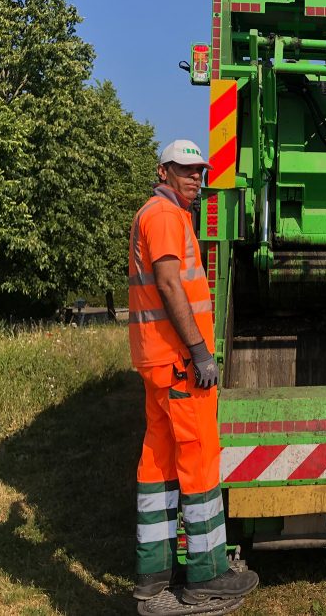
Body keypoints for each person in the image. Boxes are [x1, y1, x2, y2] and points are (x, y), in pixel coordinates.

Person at [128, 140, 259, 604]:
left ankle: (153, 573)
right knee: (200, 458)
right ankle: (206, 574)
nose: (195, 180)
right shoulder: (163, 217)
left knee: (158, 463)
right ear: (163, 171)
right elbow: (167, 283)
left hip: (159, 363)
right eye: (185, 171)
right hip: (181, 364)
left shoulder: (160, 213)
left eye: (199, 172)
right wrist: (201, 351)